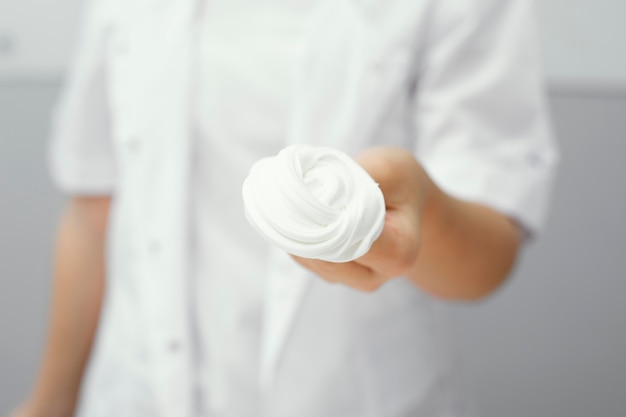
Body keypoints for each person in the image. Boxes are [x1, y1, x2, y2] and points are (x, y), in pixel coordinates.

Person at [12, 0, 558, 416]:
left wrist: (423, 211)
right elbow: (94, 208)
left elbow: (490, 254)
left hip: (351, 396)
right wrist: (49, 402)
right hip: (136, 392)